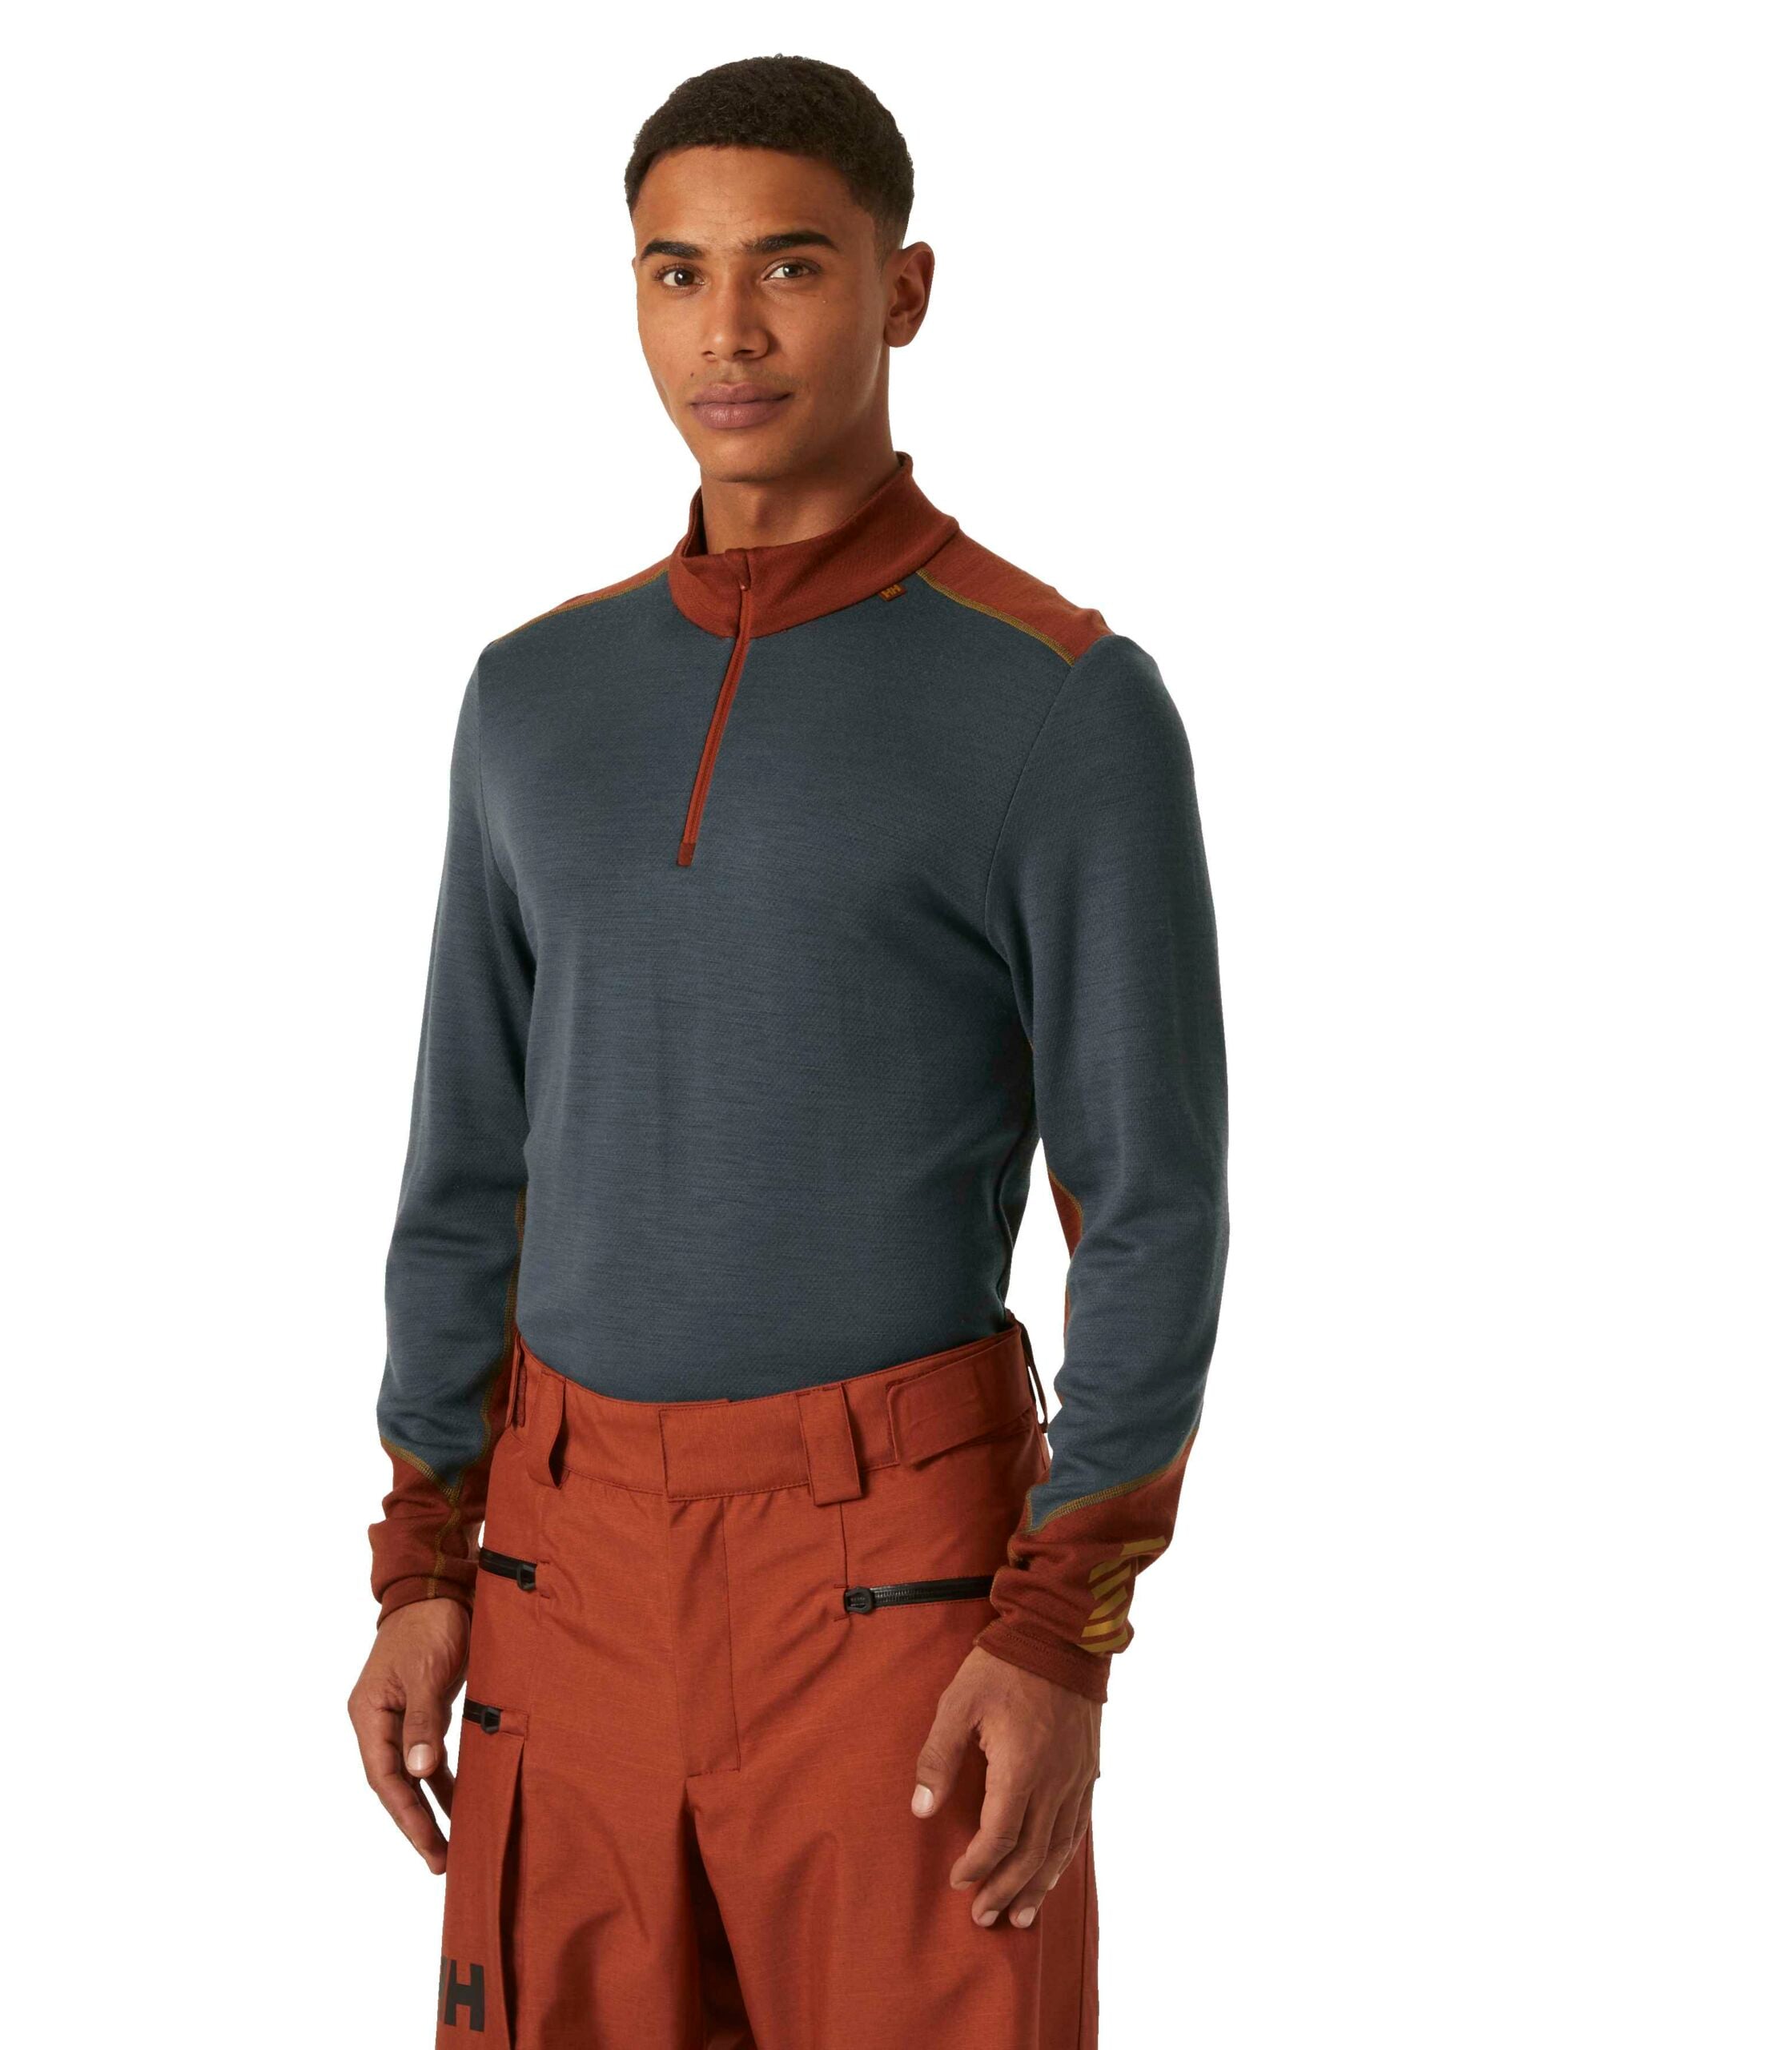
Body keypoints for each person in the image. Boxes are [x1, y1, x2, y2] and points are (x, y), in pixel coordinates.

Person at [346, 52, 1229, 2049]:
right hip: (561, 1572)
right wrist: (420, 1562)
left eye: (789, 267)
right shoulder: (531, 696)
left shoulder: (1059, 699)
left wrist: (1061, 1631)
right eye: (675, 272)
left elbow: (1149, 1206)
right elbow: (467, 1167)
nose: (725, 331)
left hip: (896, 1588)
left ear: (901, 291)